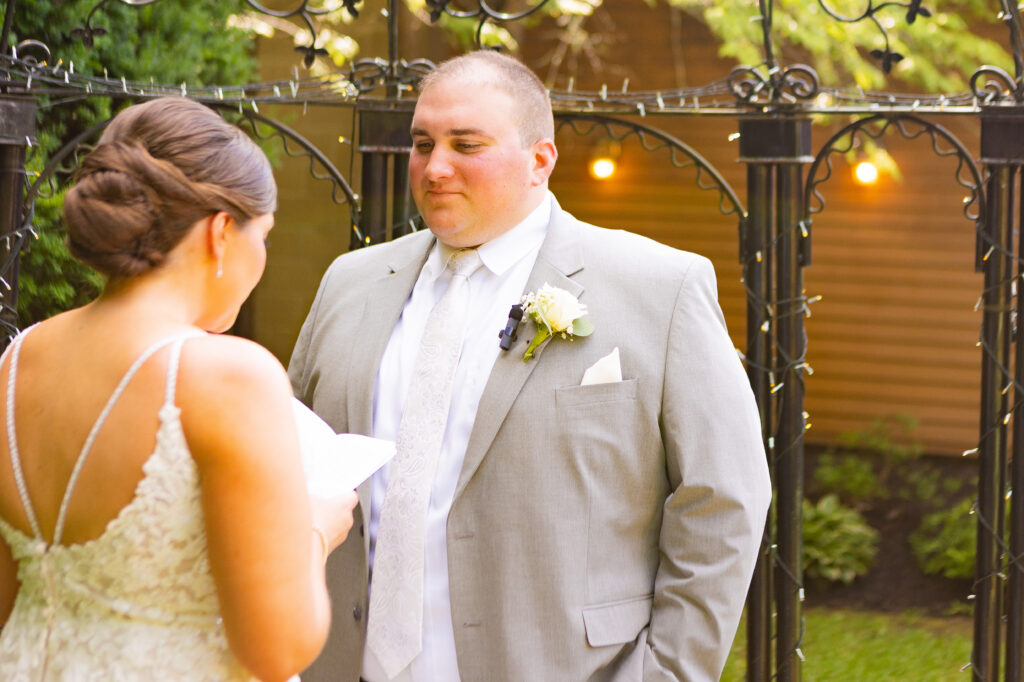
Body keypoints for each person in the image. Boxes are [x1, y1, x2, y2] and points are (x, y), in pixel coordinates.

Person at [289, 51, 772, 682]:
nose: (435, 167)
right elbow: (291, 462)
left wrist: (667, 673)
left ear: (539, 161)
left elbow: (725, 498)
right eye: (422, 142)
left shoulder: (662, 287)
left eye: (466, 145)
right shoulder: (349, 282)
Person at [0, 97, 359, 681]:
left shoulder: (19, 359)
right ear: (221, 233)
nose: (261, 255)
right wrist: (314, 528)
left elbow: (9, 597)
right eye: (263, 236)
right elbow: (278, 649)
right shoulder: (225, 375)